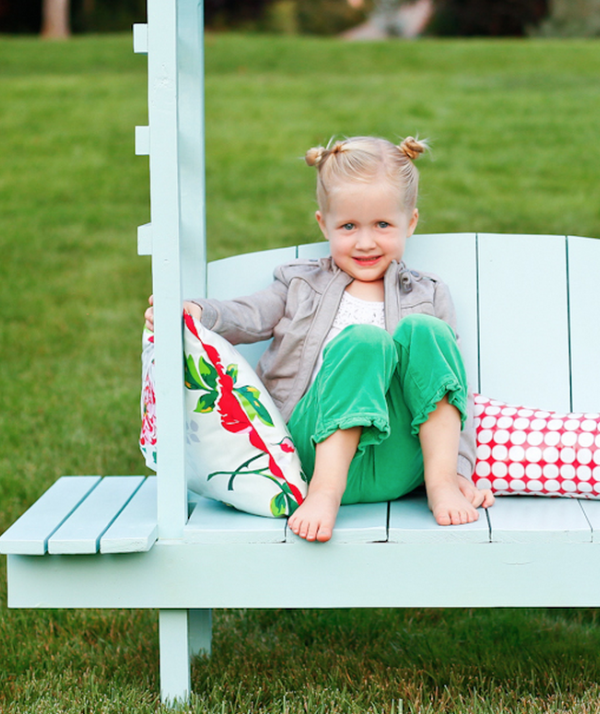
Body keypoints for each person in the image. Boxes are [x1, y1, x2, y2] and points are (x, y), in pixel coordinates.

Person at [145, 136, 492, 542]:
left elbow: (451, 389)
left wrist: (460, 471)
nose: (365, 242)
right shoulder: (299, 283)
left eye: (382, 224)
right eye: (348, 226)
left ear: (410, 222)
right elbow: (249, 314)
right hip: (313, 451)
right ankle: (325, 495)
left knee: (428, 333)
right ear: (322, 223)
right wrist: (202, 313)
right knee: (363, 342)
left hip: (399, 460)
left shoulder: (429, 294)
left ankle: (441, 485)